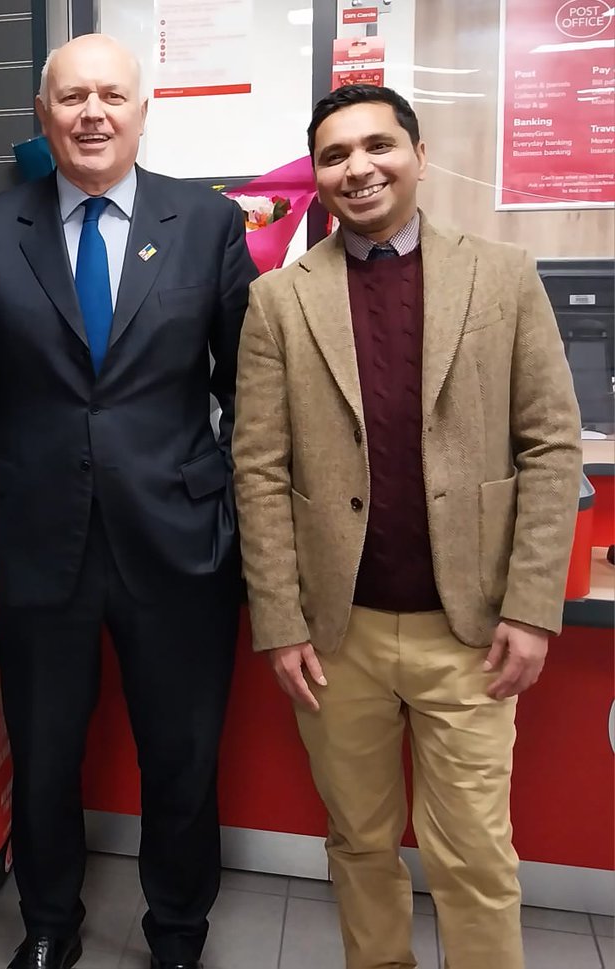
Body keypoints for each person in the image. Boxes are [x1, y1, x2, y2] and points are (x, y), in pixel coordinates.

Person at [232, 85, 582, 969]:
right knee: (358, 844)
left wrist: (533, 607)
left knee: (473, 856)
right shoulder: (281, 299)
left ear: (419, 156)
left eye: (378, 146)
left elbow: (551, 445)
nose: (359, 168)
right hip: (334, 637)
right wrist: (279, 622)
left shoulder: (502, 274)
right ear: (317, 177)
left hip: (472, 635)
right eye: (336, 155)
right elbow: (260, 469)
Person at [0, 32, 256, 969]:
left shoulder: (206, 224)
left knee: (182, 756)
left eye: (111, 95)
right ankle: (49, 926)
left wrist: (229, 511)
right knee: (42, 756)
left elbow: (253, 389)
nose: (92, 113)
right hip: (37, 544)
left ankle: (177, 933)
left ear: (140, 109)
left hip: (181, 541)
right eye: (72, 96)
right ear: (43, 113)